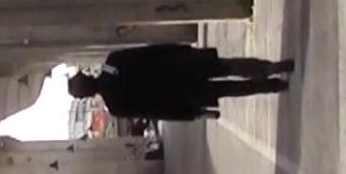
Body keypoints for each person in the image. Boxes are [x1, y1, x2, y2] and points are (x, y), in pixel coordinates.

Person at [66, 45, 294, 122]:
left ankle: (273, 86)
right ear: (87, 75)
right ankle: (270, 68)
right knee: (228, 66)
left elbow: (156, 112)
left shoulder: (116, 107)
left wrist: (193, 114)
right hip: (183, 65)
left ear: (87, 96)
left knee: (230, 90)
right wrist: (182, 49)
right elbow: (153, 51)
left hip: (185, 96)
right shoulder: (113, 61)